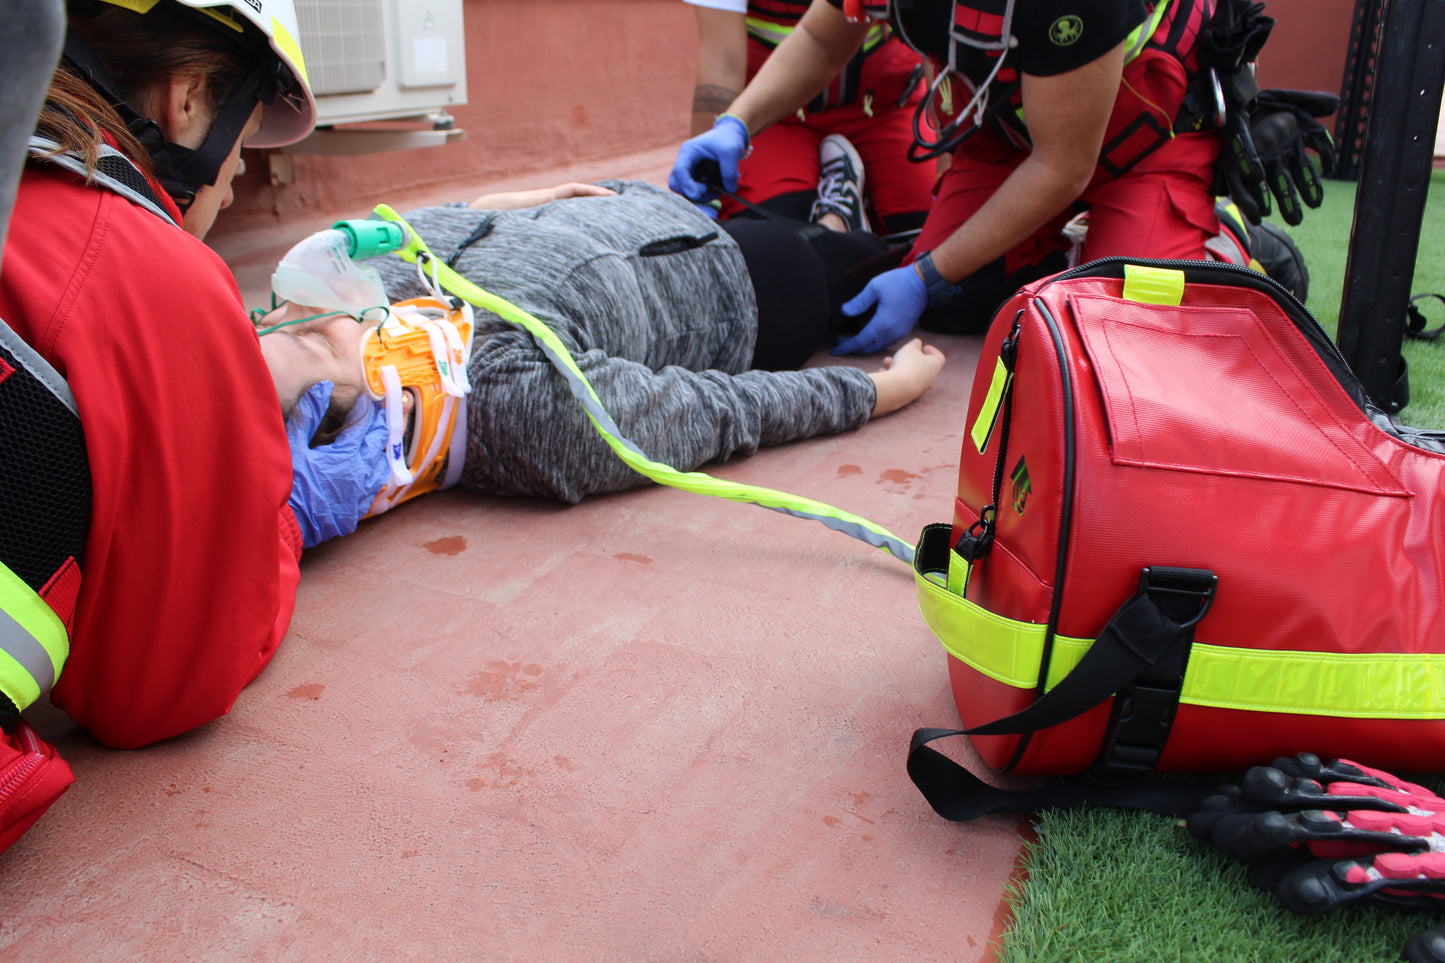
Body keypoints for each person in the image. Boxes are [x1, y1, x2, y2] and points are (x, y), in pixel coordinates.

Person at [257, 179, 946, 546]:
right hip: (738, 286)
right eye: (313, 338)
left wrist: (522, 202)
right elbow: (724, 409)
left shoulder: (371, 298)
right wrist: (877, 391)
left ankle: (821, 209)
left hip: (637, 209)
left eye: (273, 312)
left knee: (773, 208)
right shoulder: (526, 406)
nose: (313, 303)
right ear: (376, 423)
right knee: (845, 257)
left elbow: (431, 227)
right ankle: (838, 223)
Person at [0, 0, 317, 748]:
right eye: (241, 157)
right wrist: (273, 509)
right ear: (186, 98)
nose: (234, 184)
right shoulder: (144, 268)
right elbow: (166, 688)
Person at [671, 0, 1238, 353]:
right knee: (956, 301)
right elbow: (824, 38)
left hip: (1145, 140)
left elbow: (1064, 166)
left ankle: (1227, 243)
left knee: (1128, 330)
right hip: (1008, 135)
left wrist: (921, 276)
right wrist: (735, 124)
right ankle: (1064, 254)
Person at [685, 0, 936, 235]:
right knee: (773, 234)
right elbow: (722, 63)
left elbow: (938, 51)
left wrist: (949, 170)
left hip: (884, 109)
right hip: (775, 114)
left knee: (924, 228)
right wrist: (707, 179)